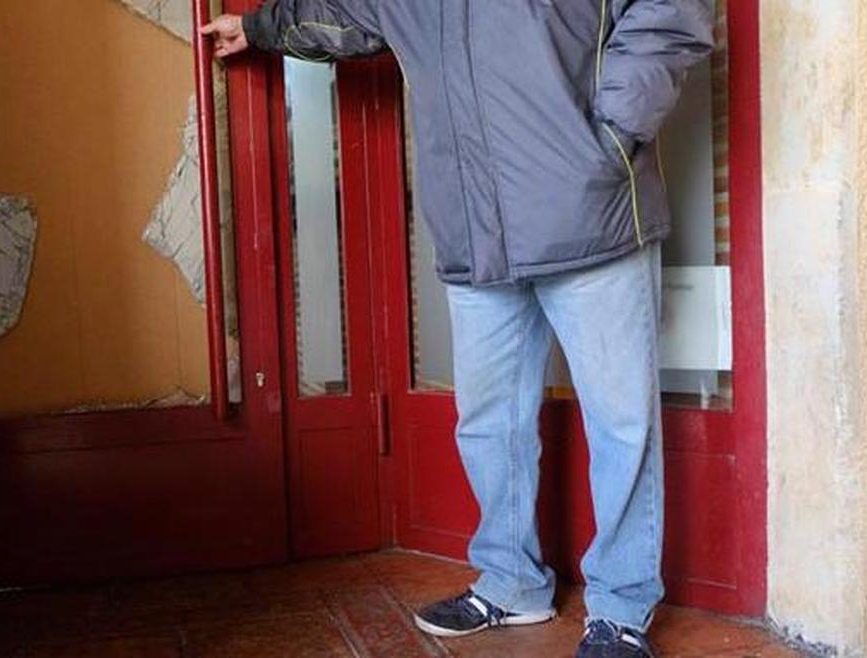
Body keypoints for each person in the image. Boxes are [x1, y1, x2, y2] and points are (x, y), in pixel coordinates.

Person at [203, 2, 713, 656]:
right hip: (476, 233)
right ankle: (511, 582)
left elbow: (670, 12)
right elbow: (343, 12)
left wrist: (614, 134)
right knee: (487, 422)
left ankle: (620, 609)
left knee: (621, 424)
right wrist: (258, 27)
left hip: (592, 215)